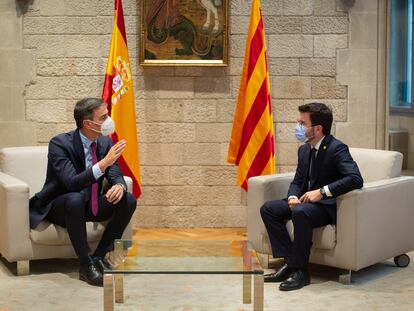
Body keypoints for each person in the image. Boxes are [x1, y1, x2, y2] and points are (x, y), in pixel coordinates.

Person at [29, 98, 137, 287]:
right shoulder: (60, 144)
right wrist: (104, 163)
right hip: (62, 206)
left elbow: (116, 174)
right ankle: (85, 265)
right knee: (76, 199)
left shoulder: (104, 142)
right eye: (103, 117)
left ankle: (98, 257)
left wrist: (119, 186)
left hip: (91, 204)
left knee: (127, 200)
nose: (109, 120)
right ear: (88, 123)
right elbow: (72, 183)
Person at [260, 102, 363, 291]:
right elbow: (298, 181)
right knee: (269, 209)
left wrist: (322, 191)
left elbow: (355, 179)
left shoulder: (337, 148)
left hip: (327, 206)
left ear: (317, 128)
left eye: (302, 123)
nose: (297, 127)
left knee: (300, 213)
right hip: (305, 204)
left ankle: (301, 272)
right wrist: (292, 197)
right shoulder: (305, 149)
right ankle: (290, 263)